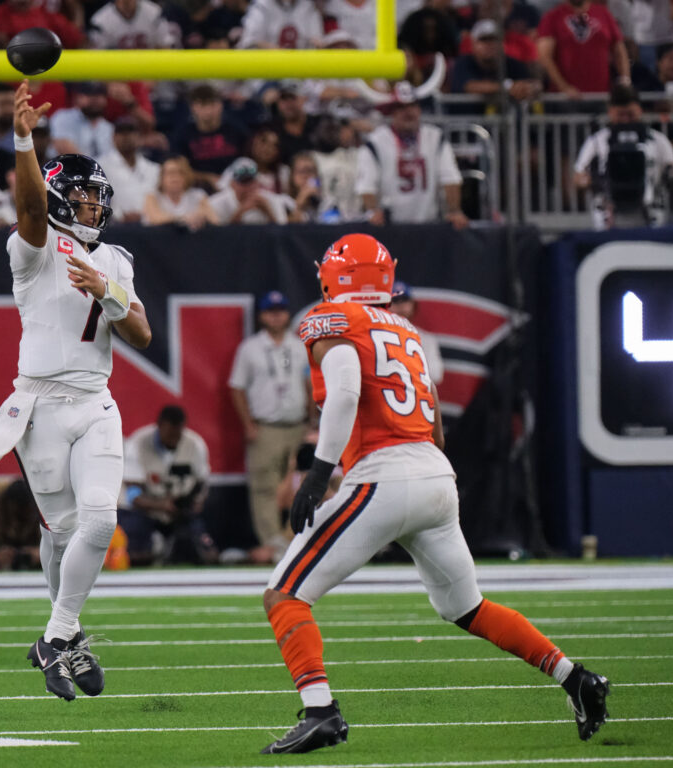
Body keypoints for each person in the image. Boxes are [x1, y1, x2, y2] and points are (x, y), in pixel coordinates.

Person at [260, 233, 610, 754]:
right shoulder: (406, 330)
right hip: (434, 475)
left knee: (285, 594)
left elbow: (347, 392)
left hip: (383, 476)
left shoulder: (333, 319)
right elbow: (435, 423)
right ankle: (574, 677)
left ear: (334, 277)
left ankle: (320, 712)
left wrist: (318, 472)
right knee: (467, 607)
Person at [0, 79, 151, 702]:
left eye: (99, 197)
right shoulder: (37, 248)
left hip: (96, 402)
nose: (95, 206)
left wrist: (106, 291)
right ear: (61, 198)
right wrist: (24, 141)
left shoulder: (114, 259)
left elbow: (142, 333)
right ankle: (68, 636)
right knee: (62, 534)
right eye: (85, 197)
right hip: (40, 405)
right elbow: (29, 207)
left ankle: (57, 634)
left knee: (100, 520)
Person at [228, 290, 311, 562]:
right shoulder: (250, 348)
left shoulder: (299, 346)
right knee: (265, 486)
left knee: (302, 484)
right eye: (270, 311)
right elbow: (237, 387)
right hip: (266, 426)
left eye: (281, 310)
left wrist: (312, 421)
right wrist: (248, 424)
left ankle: (295, 540)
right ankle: (272, 544)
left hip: (297, 425)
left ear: (287, 314)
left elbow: (309, 384)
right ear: (262, 316)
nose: (276, 316)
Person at [355, 83, 467, 228]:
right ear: (392, 112)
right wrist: (372, 211)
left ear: (419, 109)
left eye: (413, 106)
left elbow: (450, 177)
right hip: (389, 226)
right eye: (401, 107)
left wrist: (454, 211)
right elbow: (366, 185)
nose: (408, 112)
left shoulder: (435, 137)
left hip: (428, 224)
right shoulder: (376, 142)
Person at [119, 405, 216, 565]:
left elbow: (202, 482)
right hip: (147, 512)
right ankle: (149, 552)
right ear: (159, 426)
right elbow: (132, 492)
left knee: (207, 554)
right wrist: (160, 505)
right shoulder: (138, 443)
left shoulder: (195, 444)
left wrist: (193, 503)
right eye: (170, 435)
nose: (173, 440)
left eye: (177, 435)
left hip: (181, 513)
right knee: (134, 553)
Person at [572, 84, 673, 229]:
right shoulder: (597, 141)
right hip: (608, 213)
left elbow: (671, 167)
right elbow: (578, 175)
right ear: (610, 112)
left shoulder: (657, 140)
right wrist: (589, 181)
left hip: (650, 211)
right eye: (621, 115)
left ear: (639, 110)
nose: (626, 120)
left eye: (630, 114)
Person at [388, 280, 443, 384]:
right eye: (395, 301)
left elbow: (436, 375)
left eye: (404, 300)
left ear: (413, 304)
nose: (400, 306)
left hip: (416, 392)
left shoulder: (426, 339)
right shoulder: (376, 334)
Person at [142, 155, 217, 230]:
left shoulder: (198, 196)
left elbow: (214, 221)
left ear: (187, 175)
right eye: (171, 173)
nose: (175, 177)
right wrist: (183, 219)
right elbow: (156, 219)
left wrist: (201, 216)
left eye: (180, 173)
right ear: (161, 176)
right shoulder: (152, 196)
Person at [209, 157, 290, 224]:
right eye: (243, 182)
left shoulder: (272, 200)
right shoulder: (216, 203)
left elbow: (284, 234)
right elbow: (217, 236)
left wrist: (269, 212)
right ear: (232, 184)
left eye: (252, 181)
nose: (248, 187)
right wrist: (239, 213)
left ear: (258, 183)